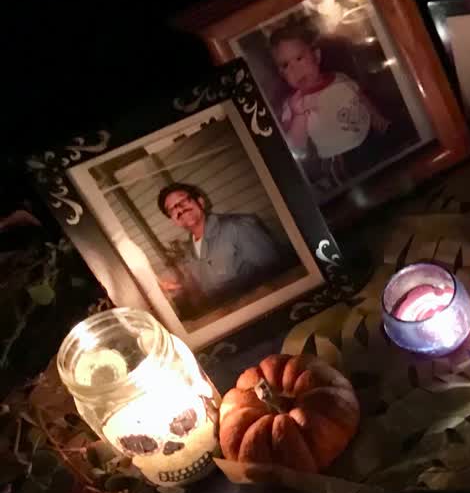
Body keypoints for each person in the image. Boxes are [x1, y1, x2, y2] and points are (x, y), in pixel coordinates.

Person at [268, 18, 393, 194]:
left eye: (299, 58)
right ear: (281, 74)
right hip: (339, 159)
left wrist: (377, 118)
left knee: (388, 177)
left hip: (368, 138)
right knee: (359, 191)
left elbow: (361, 98)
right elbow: (296, 145)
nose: (295, 69)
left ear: (317, 56)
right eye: (286, 65)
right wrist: (299, 115)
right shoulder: (294, 103)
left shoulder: (340, 78)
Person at [155, 183, 287, 310]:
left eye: (183, 201)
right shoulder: (190, 253)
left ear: (200, 202)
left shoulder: (238, 226)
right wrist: (177, 289)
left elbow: (281, 277)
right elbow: (207, 290)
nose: (179, 209)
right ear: (173, 220)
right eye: (172, 209)